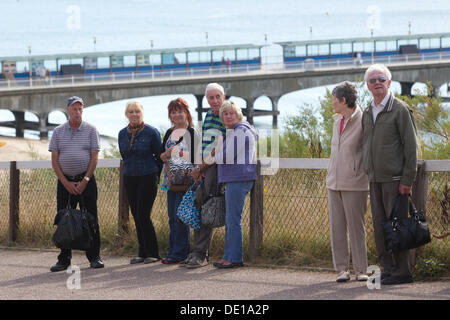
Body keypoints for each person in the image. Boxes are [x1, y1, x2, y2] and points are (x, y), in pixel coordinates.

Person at [362, 64, 418, 285]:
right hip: (375, 179)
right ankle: (388, 269)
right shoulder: (368, 111)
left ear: (389, 83)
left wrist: (407, 179)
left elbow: (411, 147)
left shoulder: (400, 109)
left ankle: (402, 272)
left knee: (398, 227)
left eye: (381, 79)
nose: (377, 83)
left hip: (395, 181)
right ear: (367, 85)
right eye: (373, 80)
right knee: (380, 226)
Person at [48, 96, 104, 272]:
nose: (78, 112)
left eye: (80, 109)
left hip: (86, 181)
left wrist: (85, 180)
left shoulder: (91, 130)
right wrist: (65, 183)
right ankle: (64, 259)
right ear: (68, 110)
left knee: (91, 219)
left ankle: (94, 257)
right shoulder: (58, 132)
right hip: (65, 182)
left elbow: (94, 158)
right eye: (74, 109)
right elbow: (55, 161)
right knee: (65, 219)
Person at [326, 81, 369, 282]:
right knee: (337, 228)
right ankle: (342, 269)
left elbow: (368, 151)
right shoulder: (337, 121)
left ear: (344, 100)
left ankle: (361, 270)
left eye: (334, 99)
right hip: (333, 182)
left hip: (355, 182)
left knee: (356, 228)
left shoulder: (364, 120)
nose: (332, 103)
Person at [183, 83, 227, 268]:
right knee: (199, 205)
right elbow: (205, 144)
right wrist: (198, 166)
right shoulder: (209, 115)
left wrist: (201, 167)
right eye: (211, 97)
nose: (215, 101)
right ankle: (197, 252)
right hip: (204, 166)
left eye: (218, 96)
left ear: (223, 97)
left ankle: (201, 254)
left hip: (216, 168)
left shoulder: (227, 114)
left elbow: (220, 150)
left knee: (208, 207)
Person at [212, 100, 258, 269]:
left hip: (239, 177)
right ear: (222, 117)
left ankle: (234, 258)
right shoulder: (234, 132)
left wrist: (214, 157)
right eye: (225, 113)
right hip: (235, 178)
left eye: (232, 113)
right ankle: (228, 256)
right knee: (231, 219)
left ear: (238, 115)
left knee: (233, 220)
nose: (229, 116)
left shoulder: (241, 131)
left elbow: (226, 156)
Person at [118, 101, 162, 264]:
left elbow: (160, 156)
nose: (134, 114)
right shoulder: (122, 133)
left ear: (142, 113)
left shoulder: (151, 132)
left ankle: (153, 253)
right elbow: (125, 156)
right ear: (126, 115)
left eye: (137, 112)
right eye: (131, 112)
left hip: (148, 176)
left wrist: (155, 175)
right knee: (136, 215)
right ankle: (142, 252)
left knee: (144, 215)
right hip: (130, 177)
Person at [160, 97, 200, 264]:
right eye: (173, 112)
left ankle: (180, 253)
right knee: (171, 217)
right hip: (171, 180)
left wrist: (178, 153)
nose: (176, 114)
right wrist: (167, 154)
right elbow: (162, 156)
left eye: (179, 111)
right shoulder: (169, 133)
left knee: (181, 216)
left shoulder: (192, 132)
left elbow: (198, 157)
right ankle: (173, 251)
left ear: (186, 113)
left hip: (187, 179)